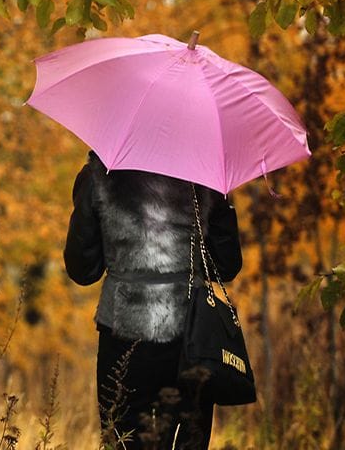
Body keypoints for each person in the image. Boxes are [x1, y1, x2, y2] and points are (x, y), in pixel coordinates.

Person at [64, 151, 243, 450]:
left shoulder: (99, 176)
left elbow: (83, 270)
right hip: (191, 338)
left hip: (123, 336)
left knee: (122, 440)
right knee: (190, 441)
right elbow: (225, 266)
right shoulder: (205, 177)